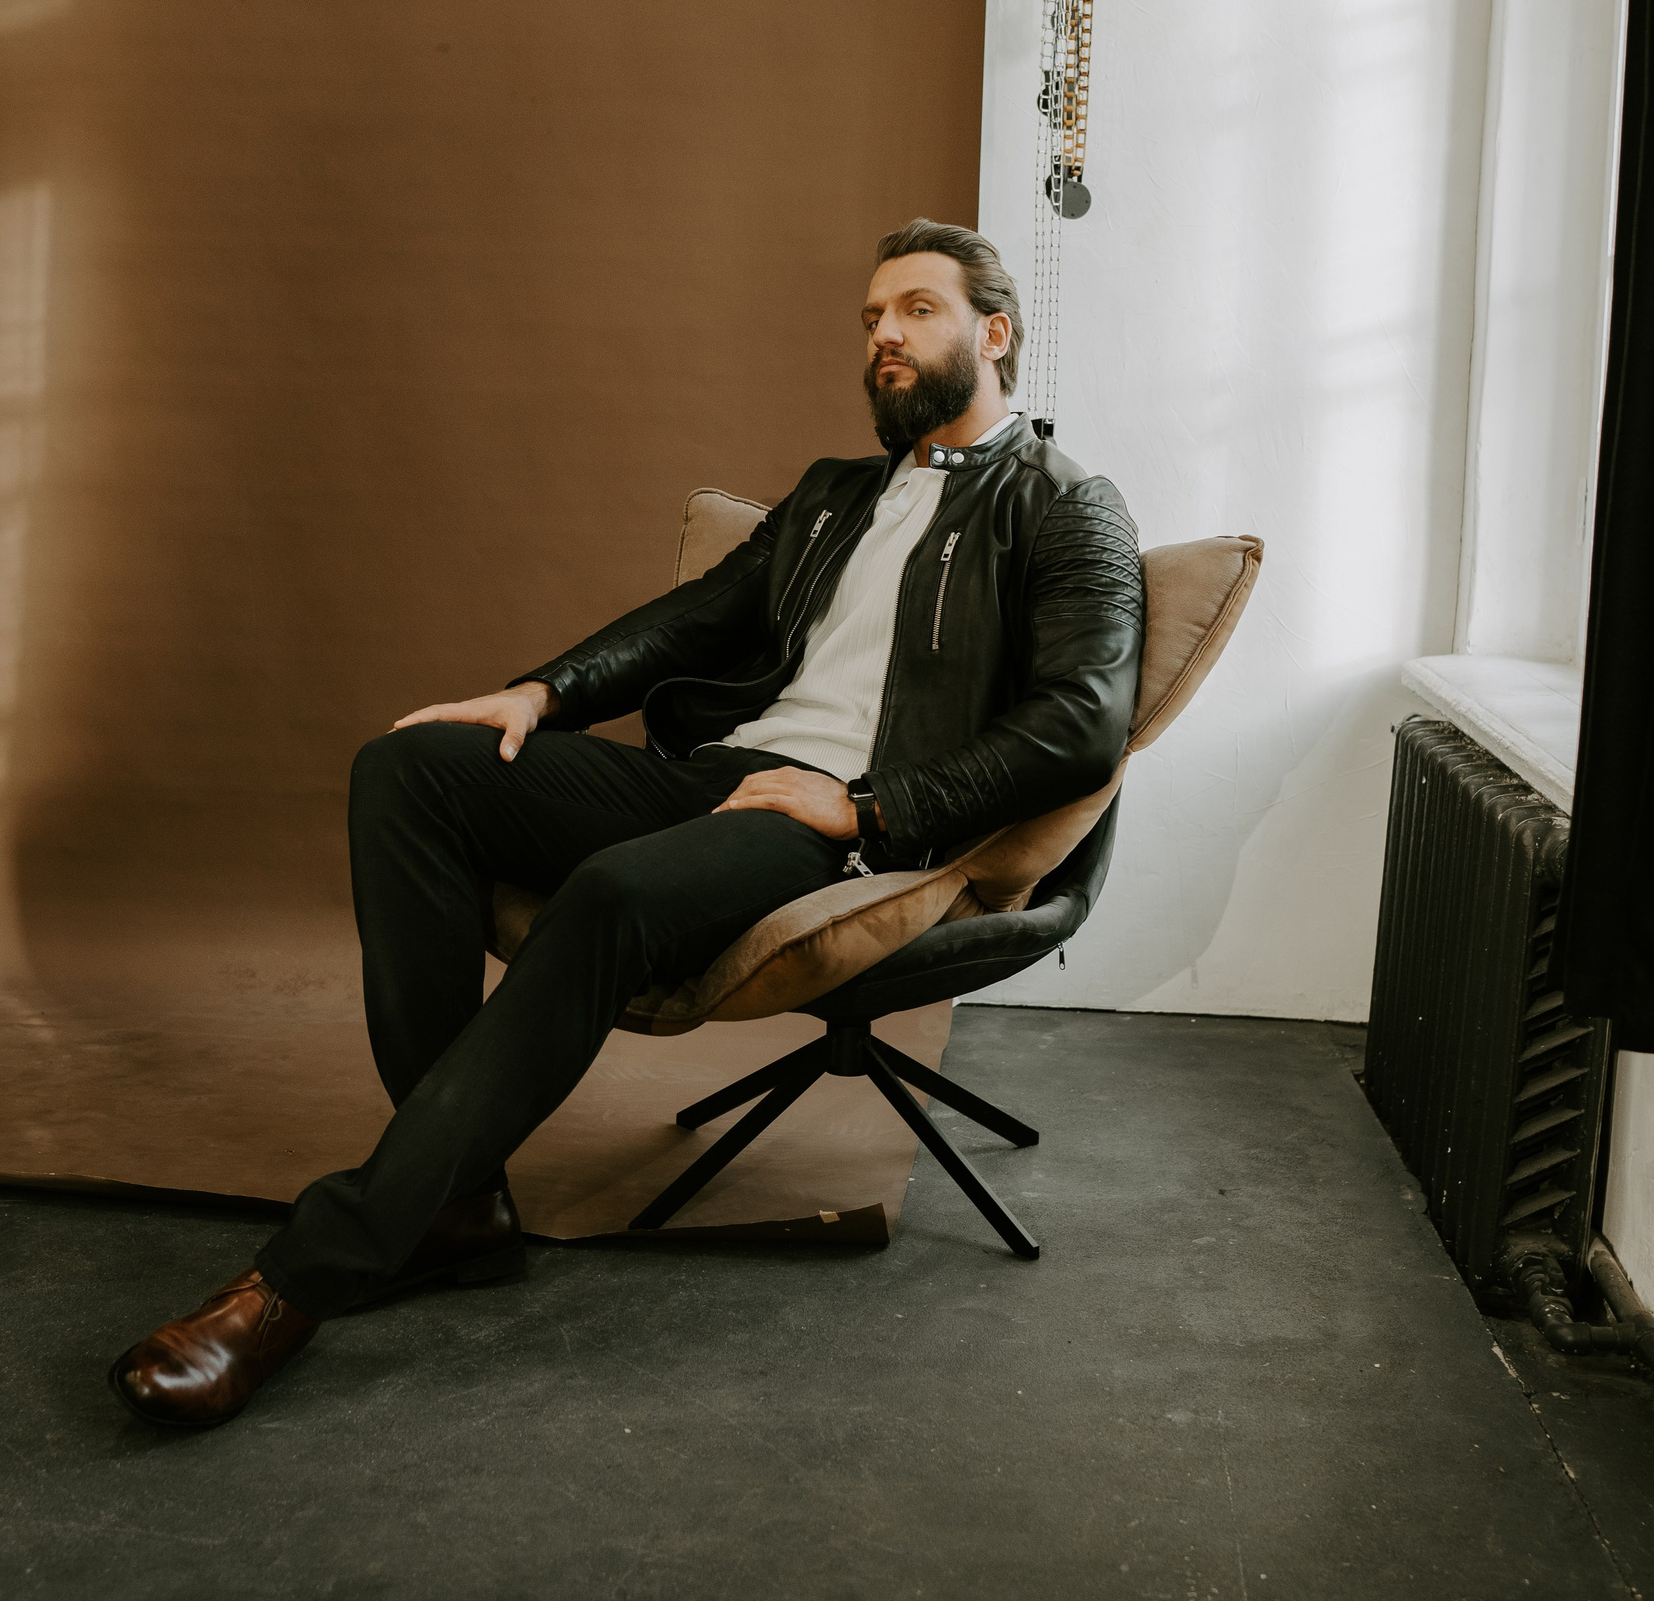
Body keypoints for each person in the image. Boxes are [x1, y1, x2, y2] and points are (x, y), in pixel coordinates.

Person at [111, 218, 1144, 1426]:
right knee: (410, 769)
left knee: (614, 890)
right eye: (872, 316)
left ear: (995, 333)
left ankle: (303, 1275)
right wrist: (543, 692)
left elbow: (1081, 721)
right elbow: (694, 618)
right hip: (724, 777)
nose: (884, 335)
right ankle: (454, 1200)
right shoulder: (836, 495)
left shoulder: (1065, 506)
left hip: (842, 824)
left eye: (917, 309)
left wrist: (868, 804)